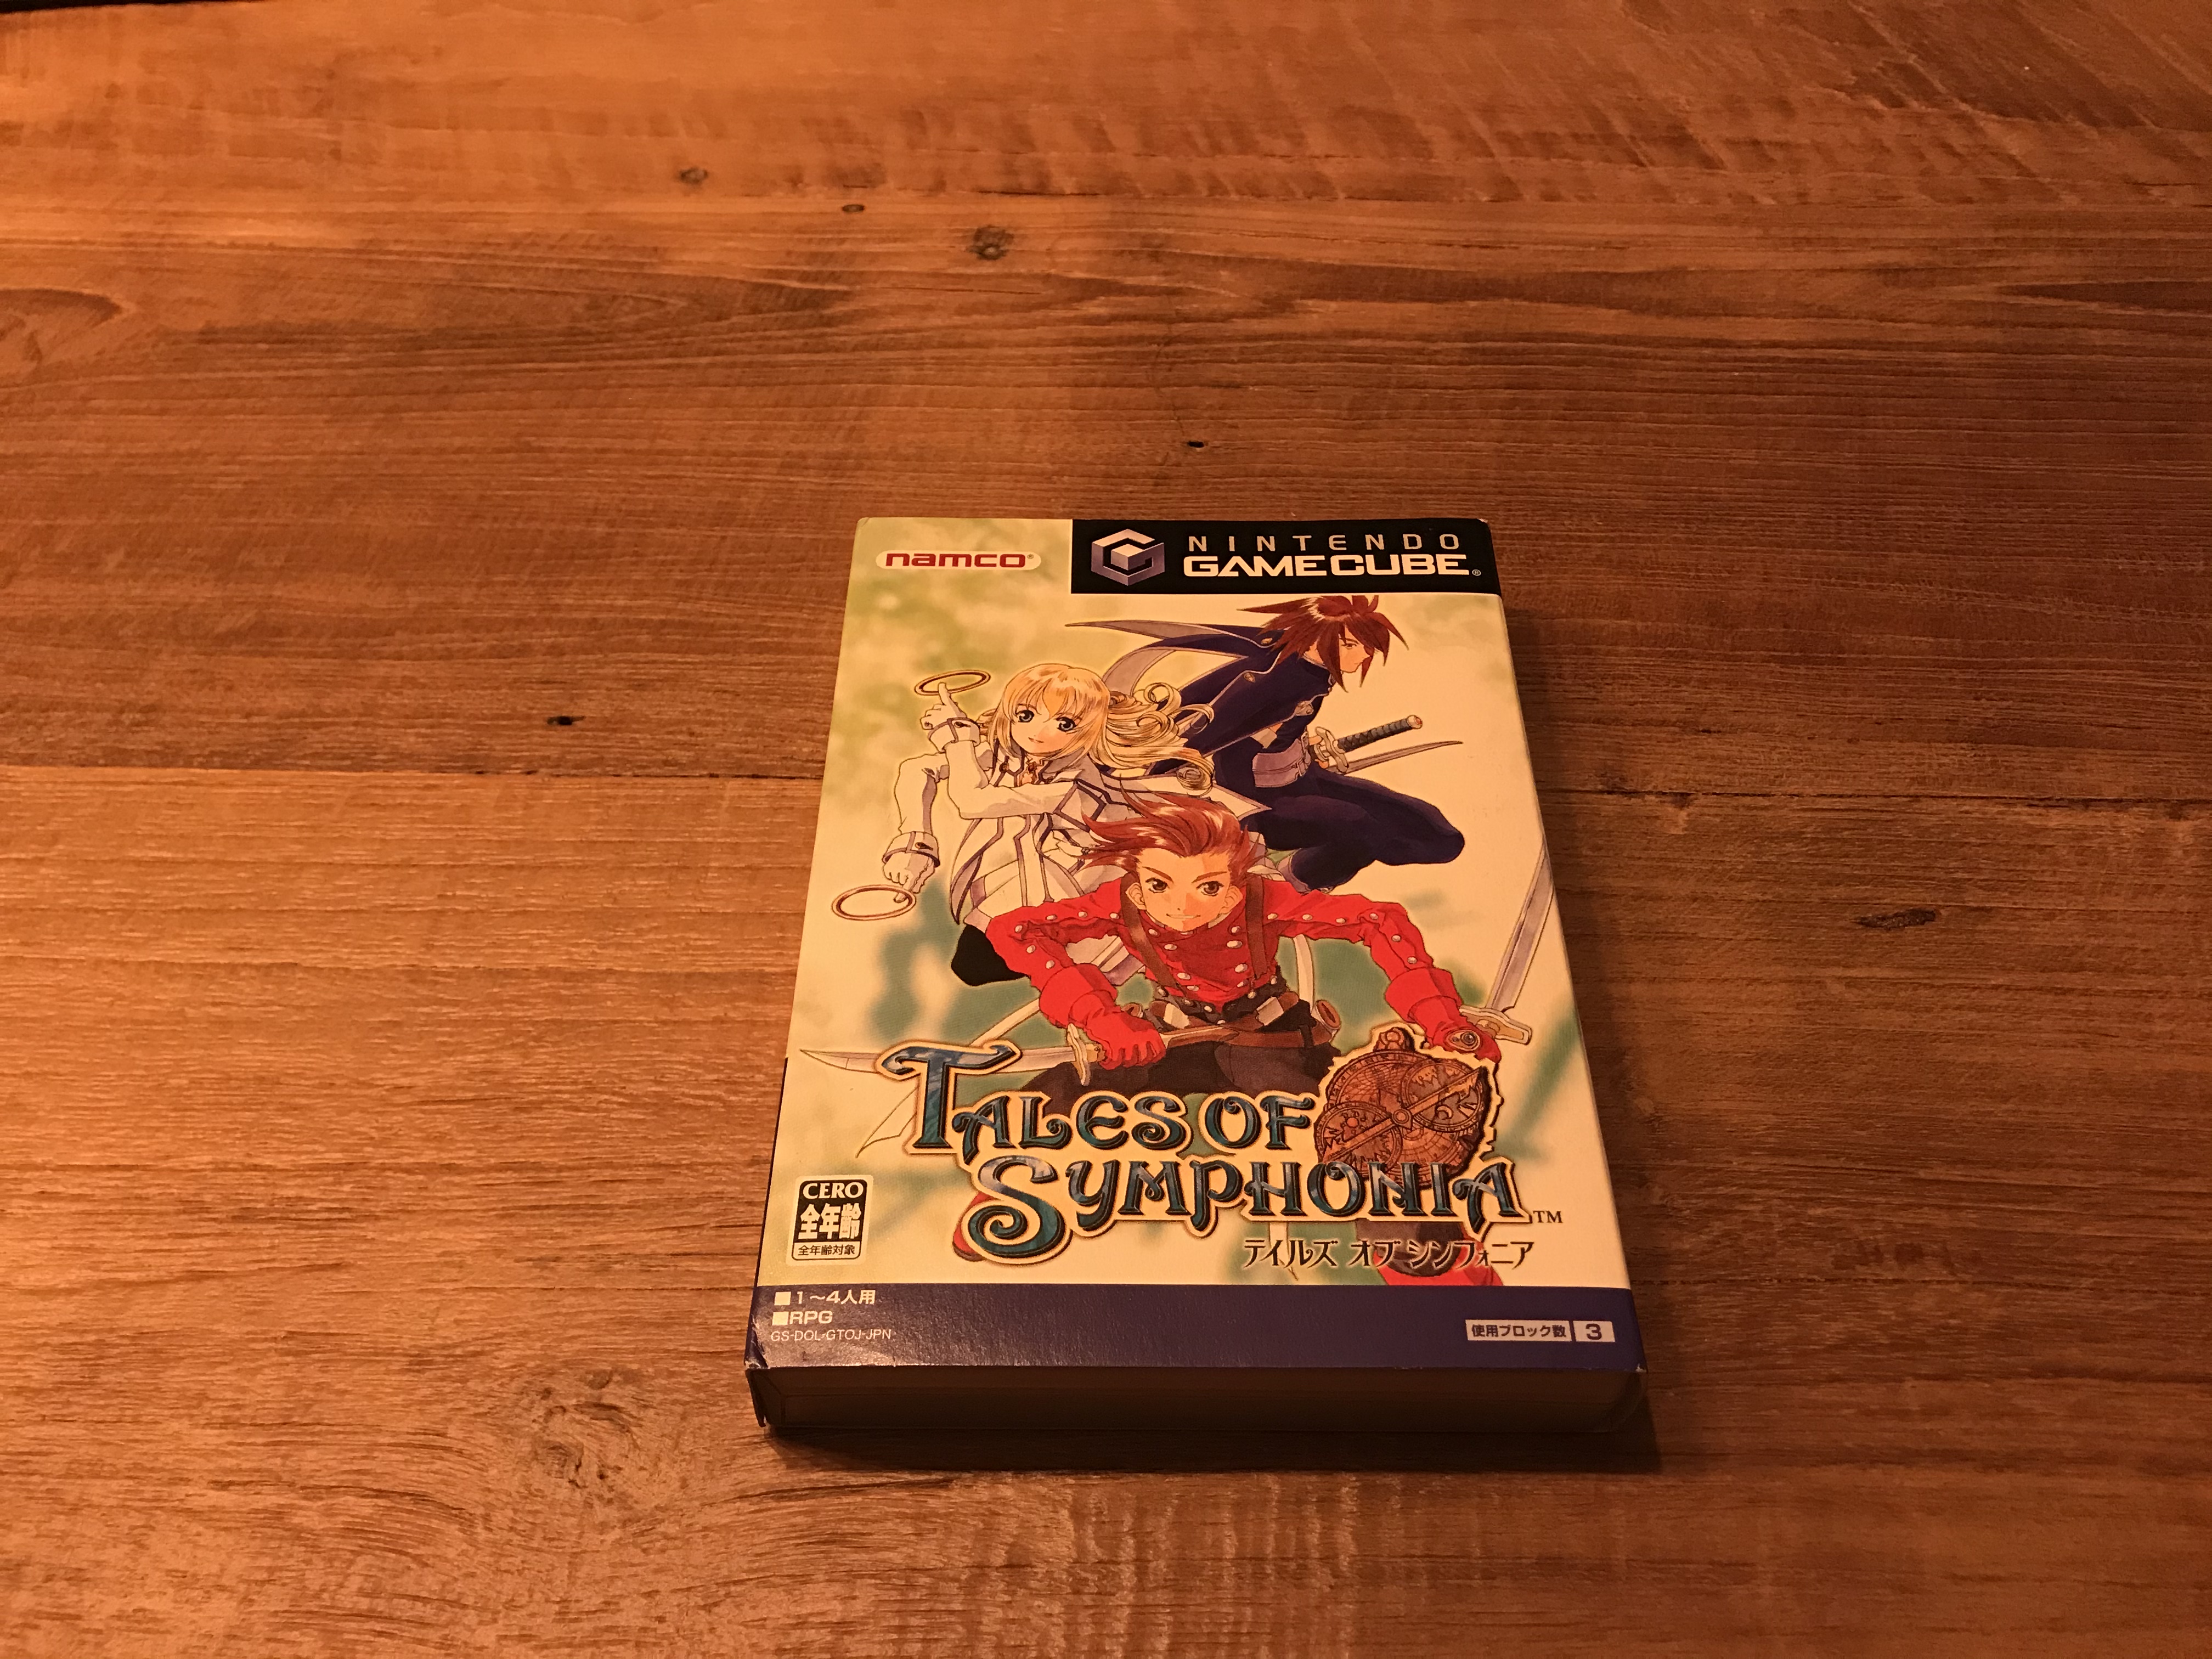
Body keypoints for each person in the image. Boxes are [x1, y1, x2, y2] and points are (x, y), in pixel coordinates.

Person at [983, 795, 1496, 1114]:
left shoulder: (1265, 900)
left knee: (1362, 1131)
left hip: (1273, 1043)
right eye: (1159, 885)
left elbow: (1378, 919)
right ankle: (997, 1214)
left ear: (1234, 888)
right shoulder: (1118, 903)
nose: (1181, 906)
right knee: (1040, 1108)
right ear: (1136, 886)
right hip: (1166, 1041)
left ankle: (1423, 1253)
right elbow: (1014, 930)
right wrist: (1101, 1017)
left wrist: (1440, 1018)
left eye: (1207, 888)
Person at [879, 662, 1226, 986]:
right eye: (1026, 716)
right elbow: (917, 769)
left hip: (1084, 891)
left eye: (1065, 724)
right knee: (973, 963)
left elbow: (972, 801)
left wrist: (959, 743)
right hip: (1033, 877)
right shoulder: (1015, 757)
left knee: (981, 965)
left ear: (1090, 730)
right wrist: (916, 842)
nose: (1039, 733)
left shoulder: (1075, 782)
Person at [1086, 596, 1463, 892]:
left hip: (1305, 781)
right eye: (1351, 645)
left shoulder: (1310, 670)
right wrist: (1149, 792)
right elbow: (1207, 739)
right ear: (1316, 638)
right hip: (1258, 805)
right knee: (1363, 828)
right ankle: (1290, 884)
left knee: (1437, 835)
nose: (1362, 656)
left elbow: (1275, 729)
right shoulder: (1271, 681)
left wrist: (1300, 746)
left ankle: (1343, 853)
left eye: (1366, 648)